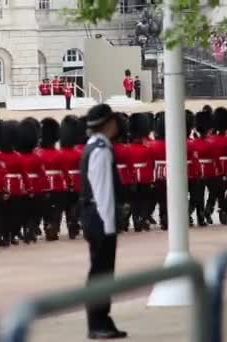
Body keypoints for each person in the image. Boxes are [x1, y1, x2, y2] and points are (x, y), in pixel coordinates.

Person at [80, 104, 127, 340]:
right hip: (100, 217)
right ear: (108, 124)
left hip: (93, 215)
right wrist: (110, 226)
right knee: (101, 272)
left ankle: (102, 320)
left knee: (101, 271)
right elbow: (103, 193)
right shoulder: (100, 149)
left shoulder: (95, 146)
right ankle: (98, 322)